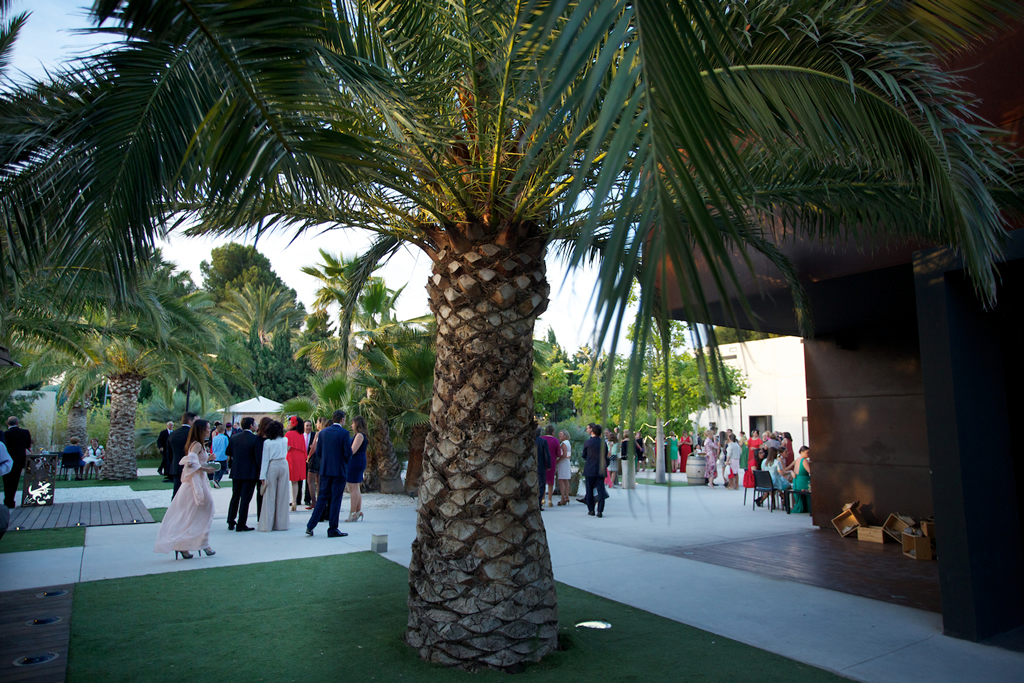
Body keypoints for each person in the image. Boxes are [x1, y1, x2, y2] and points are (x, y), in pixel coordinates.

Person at [154, 419, 217, 559]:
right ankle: (193, 543)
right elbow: (190, 464)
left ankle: (201, 542)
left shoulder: (198, 444)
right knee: (197, 511)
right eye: (207, 428)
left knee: (203, 511)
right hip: (194, 484)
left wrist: (207, 460)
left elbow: (197, 462)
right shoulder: (196, 445)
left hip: (200, 481)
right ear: (201, 430)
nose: (209, 430)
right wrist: (206, 468)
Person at [306, 409, 352, 537]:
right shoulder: (344, 433)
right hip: (339, 470)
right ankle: (332, 528)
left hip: (325, 470)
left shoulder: (323, 433)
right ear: (342, 419)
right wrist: (343, 462)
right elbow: (348, 453)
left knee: (322, 497)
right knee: (336, 499)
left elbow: (319, 453)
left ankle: (311, 525)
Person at [226, 417, 260, 532]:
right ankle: (241, 522)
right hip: (250, 472)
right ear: (251, 425)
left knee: (235, 496)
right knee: (245, 499)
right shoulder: (255, 439)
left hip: (236, 471)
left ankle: (231, 520)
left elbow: (228, 452)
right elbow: (258, 458)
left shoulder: (234, 438)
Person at [258, 420, 290, 531]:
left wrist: (262, 476)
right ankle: (282, 524)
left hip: (273, 465)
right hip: (284, 464)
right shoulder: (285, 440)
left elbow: (265, 460)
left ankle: (267, 524)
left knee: (270, 496)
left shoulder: (267, 443)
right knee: (283, 495)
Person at [3, 416, 33, 508]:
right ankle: (11, 500)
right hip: (20, 460)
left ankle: (8, 500)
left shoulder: (5, 434)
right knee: (15, 480)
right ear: (17, 423)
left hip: (8, 460)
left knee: (7, 481)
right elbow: (28, 446)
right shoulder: (25, 433)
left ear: (7, 424)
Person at [345, 416, 368, 523]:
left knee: (353, 486)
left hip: (355, 461)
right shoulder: (360, 435)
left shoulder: (359, 436)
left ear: (357, 424)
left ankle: (353, 512)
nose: (351, 425)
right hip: (358, 461)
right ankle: (358, 511)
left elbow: (352, 450)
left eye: (353, 423)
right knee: (356, 487)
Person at [582, 423, 608, 517]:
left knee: (589, 490)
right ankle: (600, 510)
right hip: (600, 469)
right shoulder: (603, 443)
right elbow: (605, 457)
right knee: (601, 489)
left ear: (593, 432)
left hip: (590, 468)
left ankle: (591, 509)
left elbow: (584, 455)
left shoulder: (587, 442)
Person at [168, 412, 196, 497]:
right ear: (189, 421)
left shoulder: (173, 434)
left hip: (176, 466)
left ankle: (174, 509)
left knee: (176, 493)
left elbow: (169, 452)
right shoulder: (192, 434)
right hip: (189, 467)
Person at [285, 416, 307, 512]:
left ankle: (292, 501)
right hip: (300, 458)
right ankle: (294, 501)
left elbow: (287, 448)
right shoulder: (301, 434)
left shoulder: (289, 434)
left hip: (291, 457)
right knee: (296, 481)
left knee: (291, 480)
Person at [305, 417, 325, 510]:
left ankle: (313, 501)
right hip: (322, 458)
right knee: (319, 480)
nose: (316, 425)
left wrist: (308, 457)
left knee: (310, 481)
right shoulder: (325, 433)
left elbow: (313, 448)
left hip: (315, 458)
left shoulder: (318, 433)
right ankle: (320, 501)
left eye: (317, 422)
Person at [540, 425, 559, 506]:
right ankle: (550, 500)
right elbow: (558, 453)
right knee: (551, 481)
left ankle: (542, 499)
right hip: (552, 461)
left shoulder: (541, 439)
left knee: (542, 481)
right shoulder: (555, 440)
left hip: (542, 462)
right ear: (553, 432)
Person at [791, 445, 812, 513]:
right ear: (802, 452)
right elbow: (810, 472)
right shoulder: (804, 460)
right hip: (803, 483)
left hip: (796, 483)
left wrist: (791, 472)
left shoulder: (797, 460)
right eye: (807, 452)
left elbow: (788, 469)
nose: (808, 454)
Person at [556, 430, 571, 505]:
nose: (560, 436)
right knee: (566, 480)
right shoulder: (568, 443)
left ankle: (563, 497)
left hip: (563, 462)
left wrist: (558, 460)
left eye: (561, 434)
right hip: (567, 462)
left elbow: (564, 454)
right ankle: (567, 496)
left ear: (565, 435)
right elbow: (568, 454)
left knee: (561, 480)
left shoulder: (564, 443)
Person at [302, 420, 315, 506]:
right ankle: (297, 498)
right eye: (307, 426)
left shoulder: (314, 435)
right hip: (301, 459)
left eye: (310, 426)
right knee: (299, 480)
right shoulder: (300, 436)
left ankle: (308, 498)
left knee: (309, 480)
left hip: (310, 460)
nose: (308, 427)